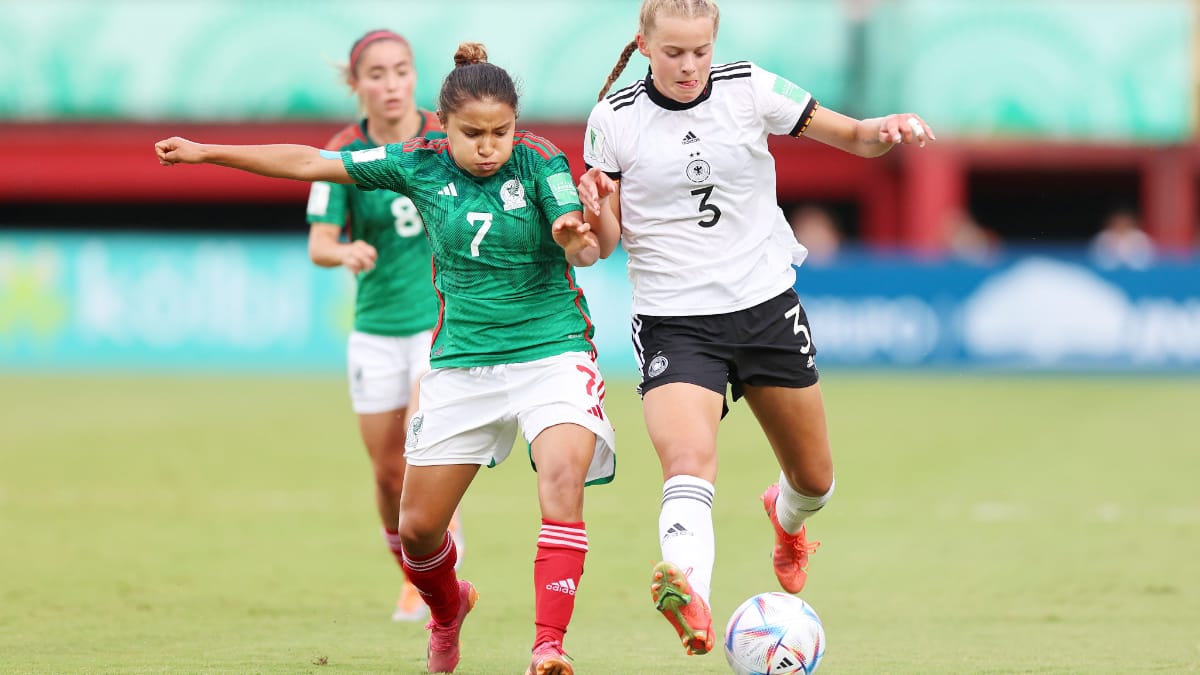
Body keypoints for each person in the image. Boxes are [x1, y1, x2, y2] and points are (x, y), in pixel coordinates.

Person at [157, 42, 618, 675]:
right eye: (473, 134)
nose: (490, 147)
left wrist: (574, 235)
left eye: (501, 132)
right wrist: (207, 152)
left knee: (563, 480)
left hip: (553, 352)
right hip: (462, 363)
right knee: (419, 530)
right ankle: (448, 611)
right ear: (443, 125)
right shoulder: (416, 161)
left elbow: (584, 244)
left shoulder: (540, 160)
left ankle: (548, 647)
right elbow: (310, 162)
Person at [576, 0, 935, 658]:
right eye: (673, 53)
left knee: (815, 480)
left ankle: (786, 518)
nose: (689, 66)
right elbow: (603, 244)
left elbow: (855, 136)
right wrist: (592, 212)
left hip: (766, 306)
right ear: (644, 46)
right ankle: (691, 593)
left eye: (700, 51)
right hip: (674, 320)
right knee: (688, 461)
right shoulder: (613, 119)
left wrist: (884, 128)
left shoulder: (750, 87)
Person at [304, 28, 465, 624]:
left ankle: (441, 576)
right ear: (356, 84)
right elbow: (320, 242)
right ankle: (412, 574)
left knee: (425, 452)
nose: (392, 84)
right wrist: (344, 251)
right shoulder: (343, 150)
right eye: (377, 74)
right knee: (387, 473)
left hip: (441, 323)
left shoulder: (445, 134)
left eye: (402, 70)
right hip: (375, 328)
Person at [1090, 207, 1154, 270]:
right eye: (1118, 222)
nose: (1121, 225)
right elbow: (1099, 260)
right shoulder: (1104, 237)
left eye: (1124, 222)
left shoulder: (1139, 237)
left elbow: (1145, 261)